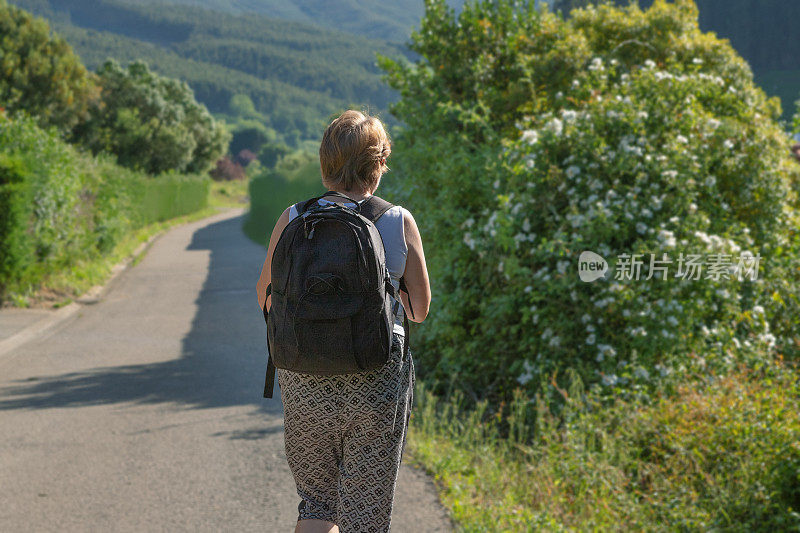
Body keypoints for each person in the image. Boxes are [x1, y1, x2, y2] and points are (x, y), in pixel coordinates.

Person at [255, 109, 431, 533]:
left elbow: (265, 296)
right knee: (364, 517)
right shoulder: (397, 220)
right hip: (375, 375)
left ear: (324, 163)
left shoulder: (293, 218)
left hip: (303, 374)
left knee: (316, 504)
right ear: (379, 163)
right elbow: (421, 310)